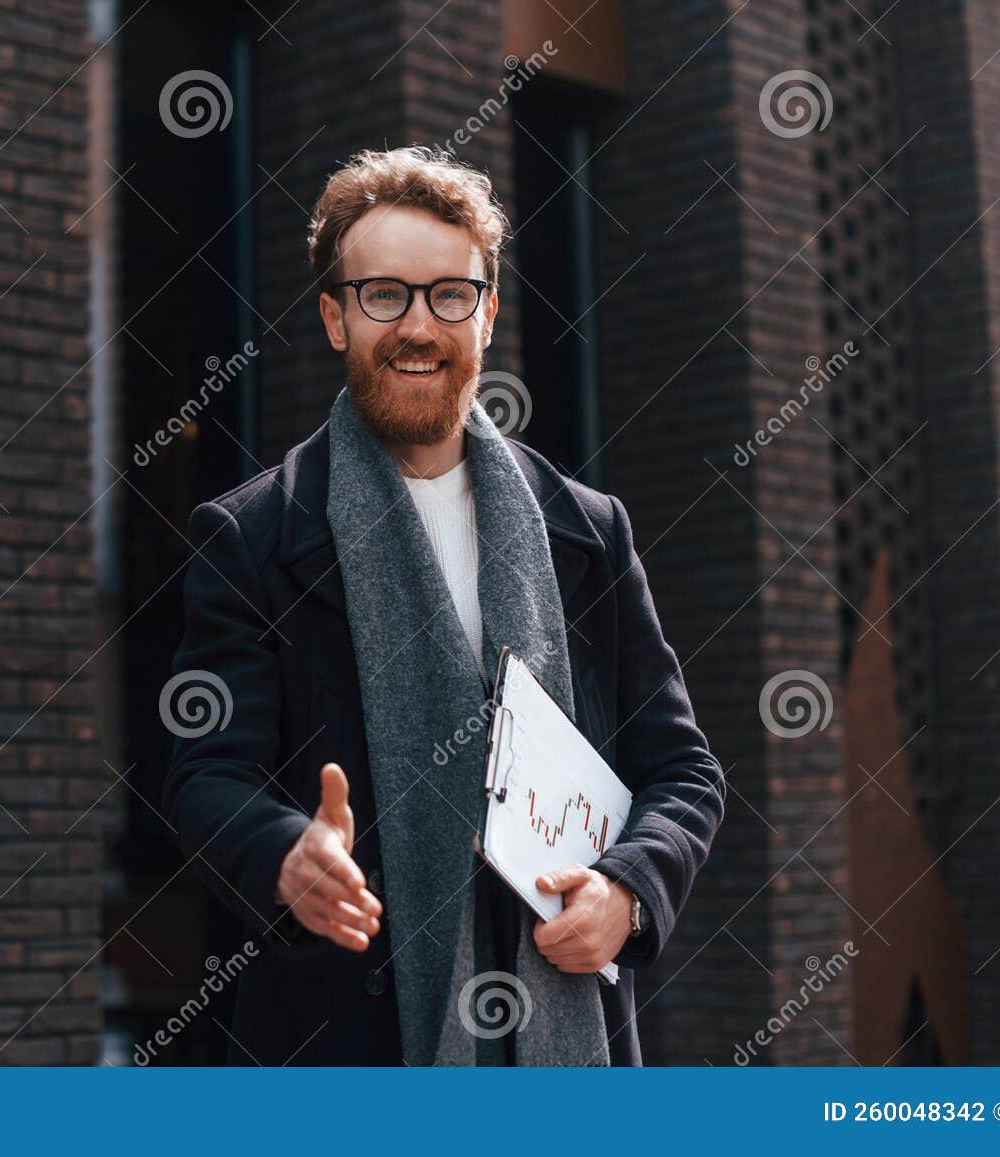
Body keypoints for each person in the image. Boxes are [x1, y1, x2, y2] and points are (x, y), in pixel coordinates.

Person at [162, 145, 725, 1065]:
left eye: (448, 295)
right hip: (338, 1040)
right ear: (337, 317)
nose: (417, 325)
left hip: (561, 1028)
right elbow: (201, 774)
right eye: (384, 295)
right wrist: (284, 854)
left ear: (488, 314)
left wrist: (627, 892)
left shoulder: (587, 532)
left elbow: (684, 772)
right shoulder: (252, 536)